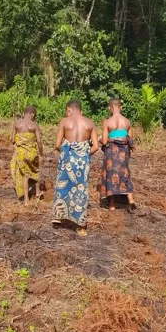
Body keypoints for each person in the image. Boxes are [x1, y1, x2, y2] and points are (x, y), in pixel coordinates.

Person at [52, 100, 99, 237]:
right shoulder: (90, 123)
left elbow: (57, 144)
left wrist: (68, 153)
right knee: (81, 189)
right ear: (80, 110)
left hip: (67, 158)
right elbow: (96, 146)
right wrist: (83, 154)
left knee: (62, 185)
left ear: (69, 109)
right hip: (82, 161)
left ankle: (58, 217)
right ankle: (81, 226)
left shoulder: (64, 121)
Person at [100, 98, 136, 211]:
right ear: (120, 107)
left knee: (111, 175)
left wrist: (99, 138)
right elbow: (130, 140)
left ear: (109, 108)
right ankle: (130, 199)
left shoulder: (107, 122)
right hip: (123, 151)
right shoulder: (127, 122)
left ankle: (112, 205)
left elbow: (104, 141)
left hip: (112, 151)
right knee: (124, 173)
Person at [11, 105, 44, 206]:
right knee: (35, 170)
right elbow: (39, 141)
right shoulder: (34, 125)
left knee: (25, 175)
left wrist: (19, 145)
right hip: (31, 153)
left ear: (23, 113)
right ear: (32, 114)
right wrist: (41, 154)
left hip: (20, 153)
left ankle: (26, 200)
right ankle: (37, 192)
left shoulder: (16, 124)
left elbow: (12, 140)